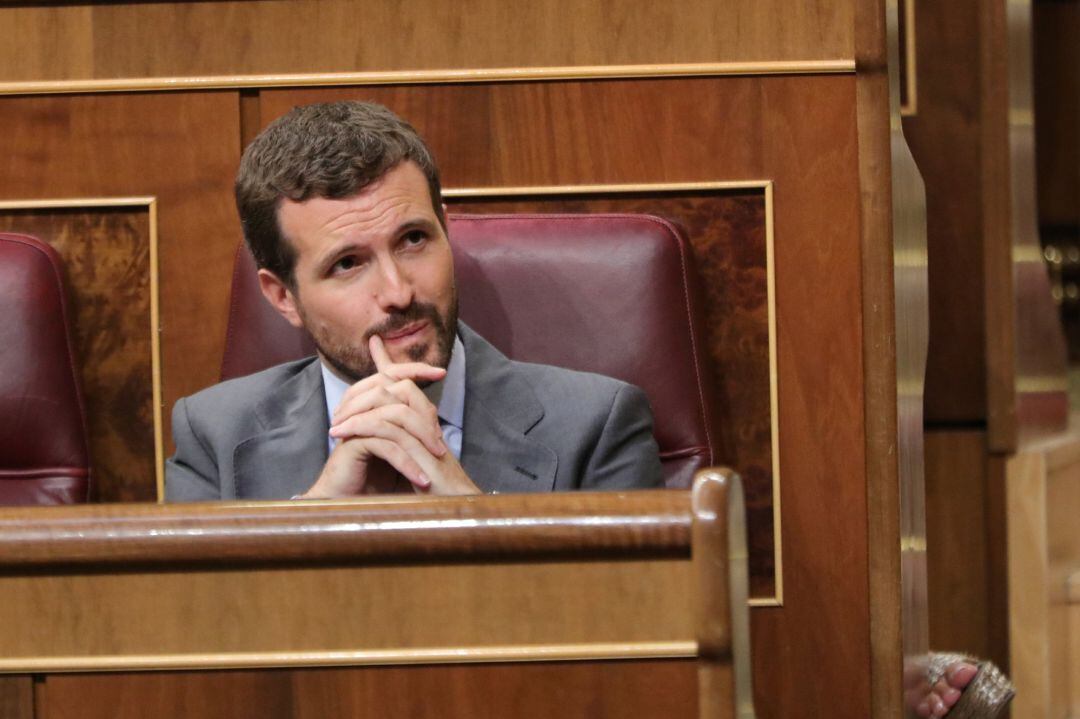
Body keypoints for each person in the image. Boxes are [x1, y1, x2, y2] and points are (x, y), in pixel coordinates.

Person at [165, 101, 663, 501]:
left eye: (413, 240)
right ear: (283, 296)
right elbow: (191, 625)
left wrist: (471, 516)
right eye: (347, 264)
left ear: (445, 228)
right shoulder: (216, 436)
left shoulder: (596, 426)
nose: (399, 292)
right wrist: (315, 520)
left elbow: (633, 622)